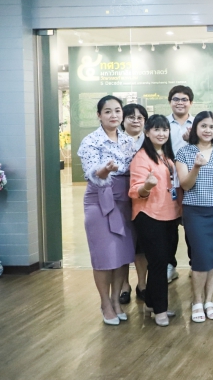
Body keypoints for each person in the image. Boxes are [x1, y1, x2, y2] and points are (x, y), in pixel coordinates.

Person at [77, 95, 138, 325]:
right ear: (99, 115)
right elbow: (93, 174)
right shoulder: (91, 141)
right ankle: (105, 303)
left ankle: (116, 300)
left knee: (122, 255)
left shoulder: (128, 140)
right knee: (104, 255)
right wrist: (105, 170)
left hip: (124, 200)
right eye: (108, 111)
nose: (114, 115)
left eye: (117, 111)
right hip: (99, 200)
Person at [176, 111, 213, 322]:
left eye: (211, 126)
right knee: (201, 258)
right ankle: (197, 301)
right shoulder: (185, 152)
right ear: (195, 128)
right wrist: (196, 167)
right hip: (195, 212)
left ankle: (209, 300)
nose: (208, 130)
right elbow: (185, 185)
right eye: (203, 126)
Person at [128, 115, 180, 327]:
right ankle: (160, 310)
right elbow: (135, 190)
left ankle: (151, 303)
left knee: (162, 261)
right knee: (158, 264)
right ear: (147, 132)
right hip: (149, 216)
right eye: (156, 129)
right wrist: (147, 186)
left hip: (170, 215)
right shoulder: (141, 158)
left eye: (164, 129)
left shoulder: (166, 155)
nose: (161, 133)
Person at [119, 103, 148, 305]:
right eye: (131, 117)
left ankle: (142, 284)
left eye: (140, 117)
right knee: (123, 241)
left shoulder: (150, 140)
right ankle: (124, 286)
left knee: (141, 243)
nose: (136, 121)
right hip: (121, 195)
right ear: (123, 120)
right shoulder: (116, 141)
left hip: (145, 198)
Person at [166, 85, 195, 283]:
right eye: (176, 99)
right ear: (170, 102)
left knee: (192, 225)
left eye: (184, 99)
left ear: (190, 103)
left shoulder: (198, 123)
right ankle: (170, 266)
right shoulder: (163, 123)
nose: (180, 103)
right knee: (169, 226)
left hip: (191, 181)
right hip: (168, 181)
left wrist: (191, 140)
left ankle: (195, 263)